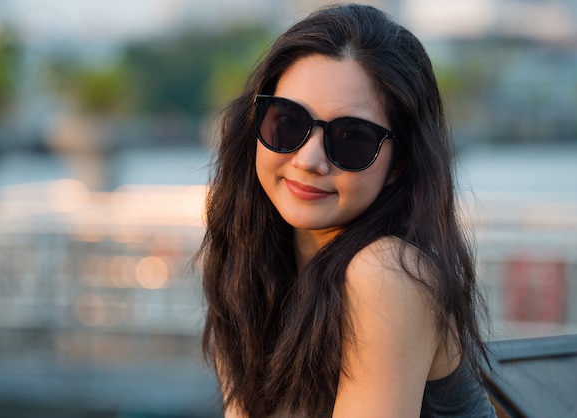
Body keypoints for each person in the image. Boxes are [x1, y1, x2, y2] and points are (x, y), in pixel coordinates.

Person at [198, 3, 496, 417]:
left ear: (399, 164)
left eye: (351, 138)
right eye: (286, 121)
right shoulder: (248, 264)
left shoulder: (387, 273)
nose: (309, 159)